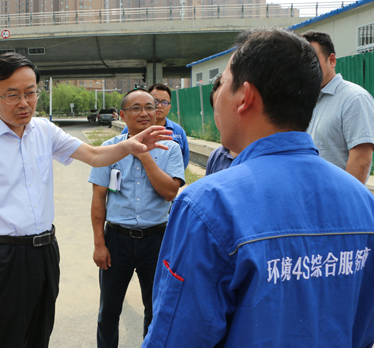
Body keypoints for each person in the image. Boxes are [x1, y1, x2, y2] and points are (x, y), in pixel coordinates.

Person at [143, 28, 374, 347]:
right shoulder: (364, 204)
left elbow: (177, 337)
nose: (217, 96)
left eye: (223, 82)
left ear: (245, 97)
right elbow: (362, 327)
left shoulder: (207, 206)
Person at [0, 53, 173, 348]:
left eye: (31, 92)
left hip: (46, 252)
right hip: (4, 257)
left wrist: (130, 146)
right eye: (13, 95)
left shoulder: (44, 131)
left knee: (40, 336)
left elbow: (94, 155)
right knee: (4, 340)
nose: (24, 103)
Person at [88, 88, 184, 348]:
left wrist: (143, 154)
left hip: (156, 241)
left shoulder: (170, 148)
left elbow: (170, 192)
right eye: (136, 108)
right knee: (108, 310)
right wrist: (99, 244)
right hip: (116, 240)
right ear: (122, 115)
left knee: (155, 310)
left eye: (149, 107)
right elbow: (98, 200)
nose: (144, 113)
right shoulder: (109, 149)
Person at [302, 31, 374, 184]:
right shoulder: (305, 101)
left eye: (312, 60)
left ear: (332, 60)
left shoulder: (354, 98)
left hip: (335, 196)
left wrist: (344, 197)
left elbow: (361, 161)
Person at [121, 84, 189, 169]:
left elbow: (183, 161)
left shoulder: (178, 131)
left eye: (164, 102)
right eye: (156, 101)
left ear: (169, 107)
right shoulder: (130, 129)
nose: (159, 106)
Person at [205, 74, 237, 175]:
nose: (223, 115)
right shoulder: (216, 156)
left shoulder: (261, 157)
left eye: (226, 107)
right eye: (217, 109)